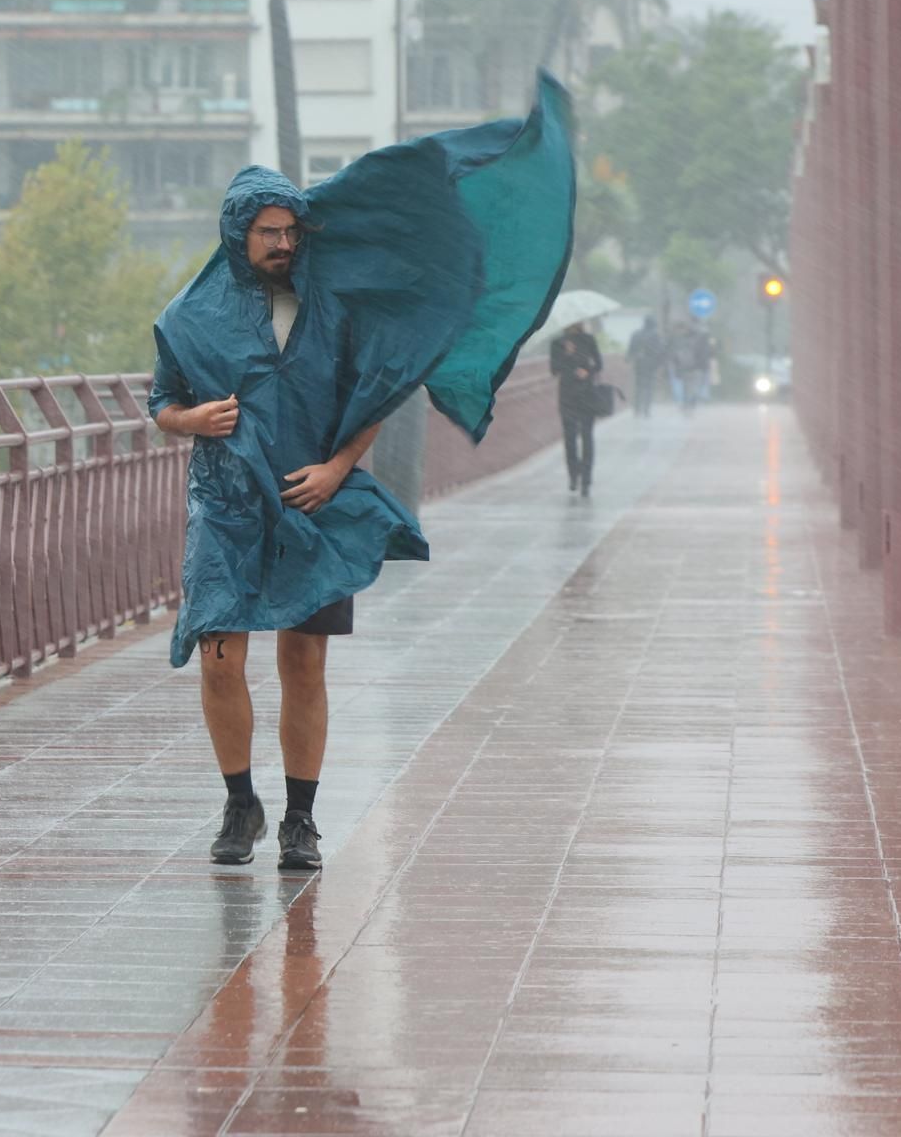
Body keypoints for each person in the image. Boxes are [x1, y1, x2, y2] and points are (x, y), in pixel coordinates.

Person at [149, 74, 575, 875]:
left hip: (315, 502)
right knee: (219, 657)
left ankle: (300, 821)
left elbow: (376, 389)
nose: (283, 243)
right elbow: (161, 401)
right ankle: (240, 803)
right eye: (268, 232)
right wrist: (190, 420)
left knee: (304, 660)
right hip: (226, 504)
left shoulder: (332, 306)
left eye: (291, 230)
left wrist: (339, 466)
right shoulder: (188, 317)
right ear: (237, 234)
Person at [550, 320, 604, 496]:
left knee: (587, 437)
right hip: (567, 397)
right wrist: (567, 355)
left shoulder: (589, 340)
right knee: (570, 438)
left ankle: (586, 479)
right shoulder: (558, 343)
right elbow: (554, 370)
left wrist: (588, 371)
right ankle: (574, 475)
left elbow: (599, 364)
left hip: (587, 395)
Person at [627, 314, 663, 417]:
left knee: (639, 387)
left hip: (639, 364)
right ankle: (647, 410)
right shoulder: (655, 335)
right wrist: (659, 363)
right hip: (651, 365)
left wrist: (629, 358)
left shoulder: (636, 334)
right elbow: (660, 351)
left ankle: (637, 409)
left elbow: (631, 349)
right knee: (649, 387)